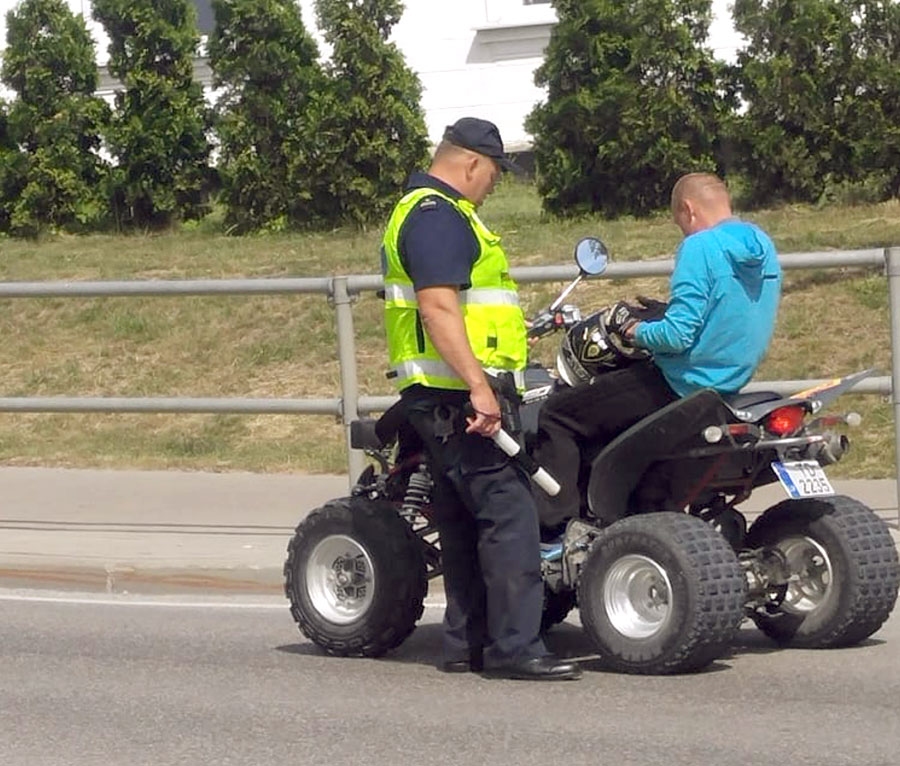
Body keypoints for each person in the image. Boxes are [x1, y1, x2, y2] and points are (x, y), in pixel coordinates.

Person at [381, 117, 581, 681]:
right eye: (494, 173)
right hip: (457, 395)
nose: (494, 185)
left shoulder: (427, 211)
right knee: (508, 512)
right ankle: (516, 647)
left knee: (462, 515)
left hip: (442, 393)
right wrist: (477, 384)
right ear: (470, 163)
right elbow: (438, 307)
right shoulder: (436, 215)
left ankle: (465, 643)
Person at [532, 172, 783, 530]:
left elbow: (677, 336)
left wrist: (633, 328)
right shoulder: (762, 245)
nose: (682, 229)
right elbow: (726, 310)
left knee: (558, 414)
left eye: (679, 221)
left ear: (688, 209)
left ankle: (553, 530)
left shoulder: (700, 247)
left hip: (679, 381)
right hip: (727, 384)